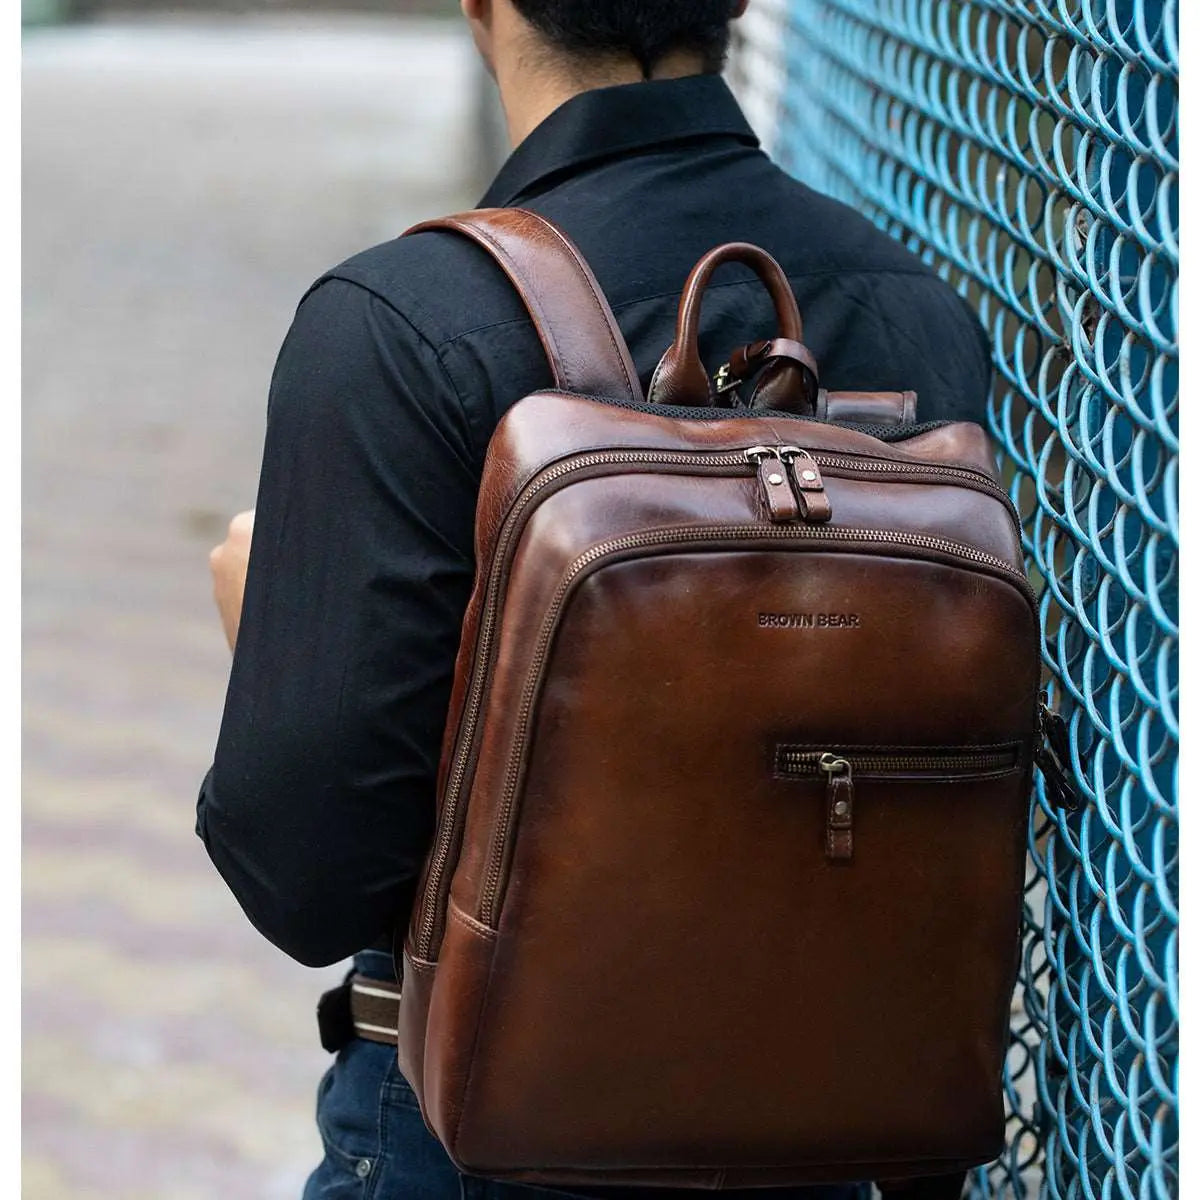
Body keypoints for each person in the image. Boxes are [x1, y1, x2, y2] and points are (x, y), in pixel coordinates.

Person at [200, 2, 994, 1196]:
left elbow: (310, 882)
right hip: (823, 1117)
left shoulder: (403, 324)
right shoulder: (914, 313)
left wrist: (265, 633)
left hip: (483, 1131)